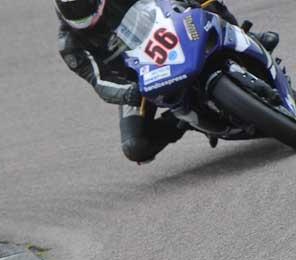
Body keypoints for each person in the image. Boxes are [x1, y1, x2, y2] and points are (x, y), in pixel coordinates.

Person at [55, 0, 280, 163]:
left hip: (168, 33)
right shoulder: (70, 45)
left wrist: (188, 7)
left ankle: (244, 36)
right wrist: (129, 92)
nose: (84, 16)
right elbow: (100, 81)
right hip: (139, 80)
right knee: (135, 146)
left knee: (205, 4)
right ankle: (184, 119)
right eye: (75, 12)